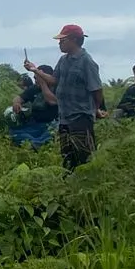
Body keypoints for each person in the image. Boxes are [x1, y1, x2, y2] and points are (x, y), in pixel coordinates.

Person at [25, 24, 105, 172]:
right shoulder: (63, 60)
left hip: (80, 117)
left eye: (63, 40)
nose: (59, 43)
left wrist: (95, 109)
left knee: (84, 155)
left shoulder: (87, 62)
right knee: (67, 156)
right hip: (64, 117)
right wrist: (35, 70)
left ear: (74, 39)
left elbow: (97, 90)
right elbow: (54, 80)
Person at [8, 67, 59, 147]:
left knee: (54, 132)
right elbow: (19, 98)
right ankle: (37, 142)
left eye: (38, 78)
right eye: (35, 78)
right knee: (13, 132)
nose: (36, 80)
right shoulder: (34, 88)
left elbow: (52, 101)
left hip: (52, 123)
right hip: (35, 123)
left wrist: (43, 83)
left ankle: (35, 143)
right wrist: (16, 103)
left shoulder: (57, 88)